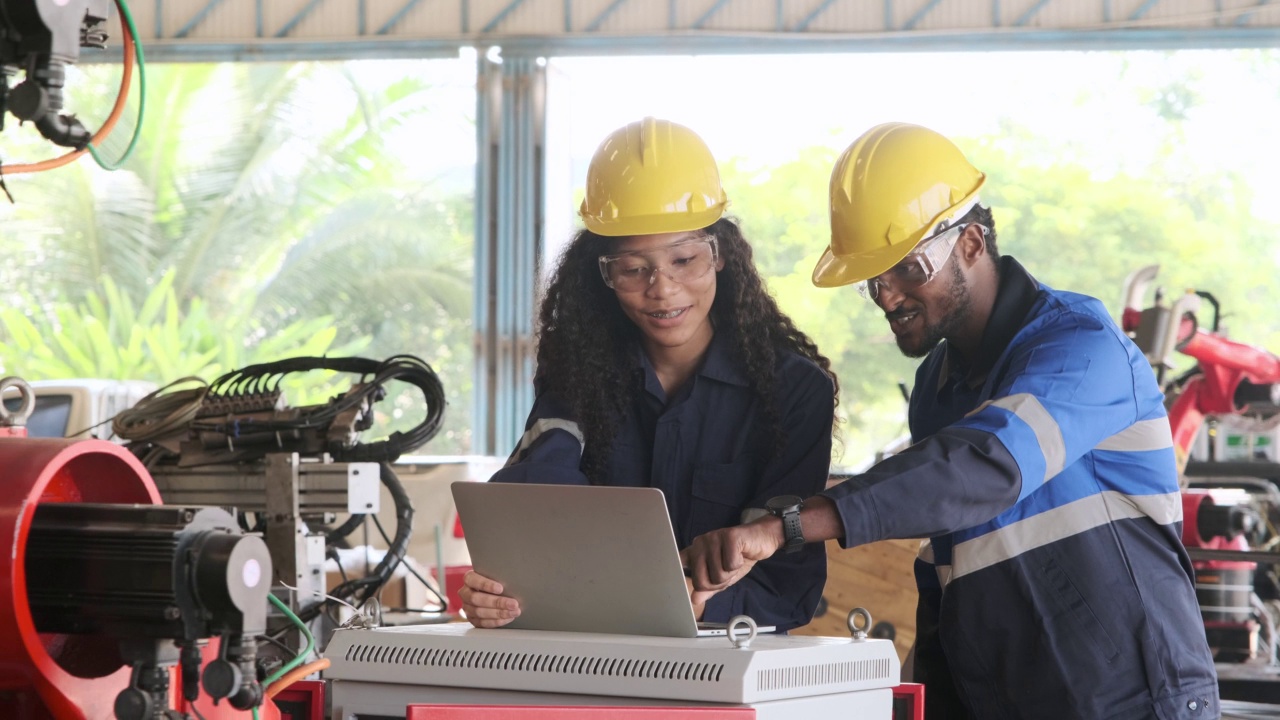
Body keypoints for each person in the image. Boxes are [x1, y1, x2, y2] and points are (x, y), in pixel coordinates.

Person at [682, 122, 1219, 719]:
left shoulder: (1083, 349)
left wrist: (788, 524)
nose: (888, 297)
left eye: (908, 268)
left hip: (1131, 703)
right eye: (874, 280)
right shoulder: (936, 388)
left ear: (970, 242)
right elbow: (950, 568)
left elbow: (984, 465)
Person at [459, 117, 840, 633]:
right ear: (604, 275)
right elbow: (535, 504)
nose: (662, 289)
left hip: (728, 662)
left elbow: (787, 587)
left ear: (720, 254)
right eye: (634, 268)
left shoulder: (793, 392)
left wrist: (704, 603)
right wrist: (499, 590)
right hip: (593, 659)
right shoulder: (577, 378)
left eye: (684, 259)